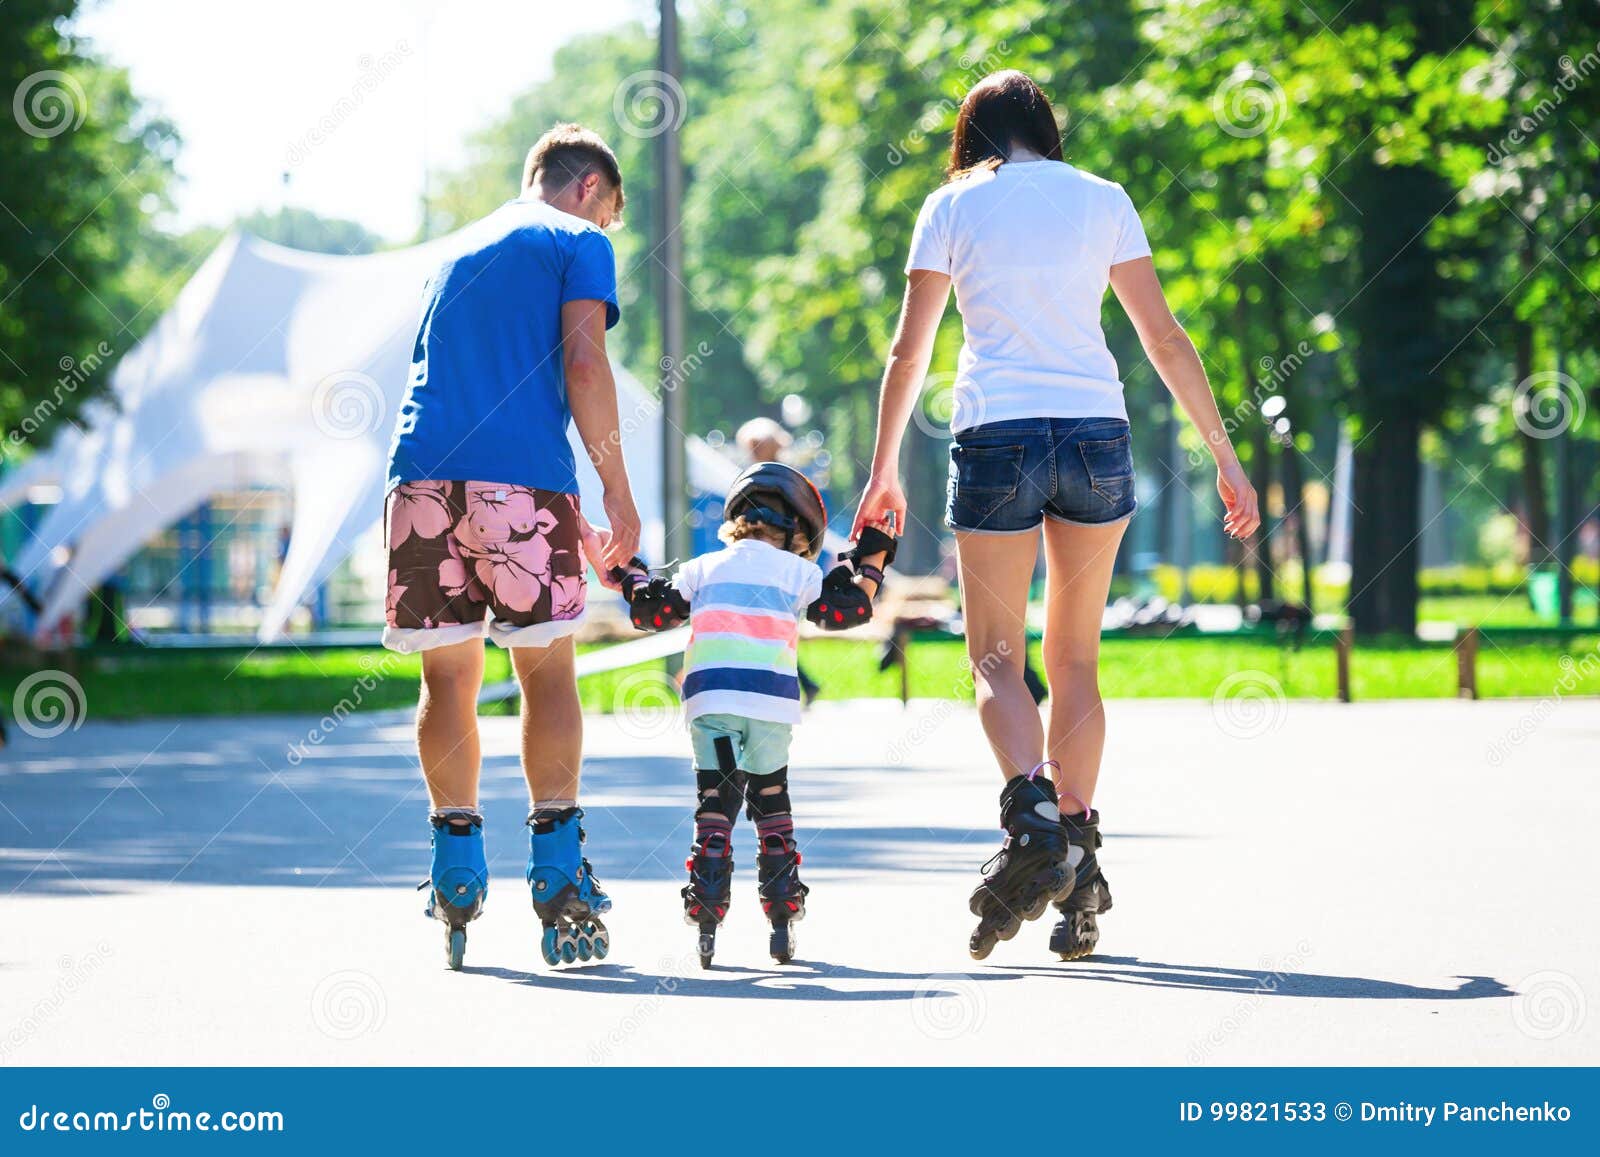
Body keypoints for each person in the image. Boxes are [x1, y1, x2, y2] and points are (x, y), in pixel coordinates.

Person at [852, 71, 1259, 962]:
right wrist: (1225, 457)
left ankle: (1031, 815)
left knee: (996, 658)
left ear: (972, 136)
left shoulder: (950, 207)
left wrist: (884, 470)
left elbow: (909, 348)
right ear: (1047, 129)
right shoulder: (1103, 198)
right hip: (1094, 434)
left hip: (995, 431)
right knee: (1075, 657)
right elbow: (1163, 337)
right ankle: (1075, 840)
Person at [382, 123, 642, 970]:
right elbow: (585, 365)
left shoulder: (453, 252)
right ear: (590, 189)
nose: (607, 229)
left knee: (447, 676)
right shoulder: (577, 240)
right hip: (523, 486)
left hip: (420, 480)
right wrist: (615, 495)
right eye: (611, 214)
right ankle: (558, 871)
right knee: (546, 669)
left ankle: (456, 868)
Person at [614, 462, 894, 966]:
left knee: (716, 803)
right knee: (770, 800)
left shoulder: (702, 567)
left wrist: (628, 574)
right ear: (797, 530)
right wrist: (872, 559)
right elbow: (847, 610)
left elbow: (650, 613)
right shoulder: (799, 572)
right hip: (769, 703)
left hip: (712, 701)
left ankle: (705, 905)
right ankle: (783, 908)